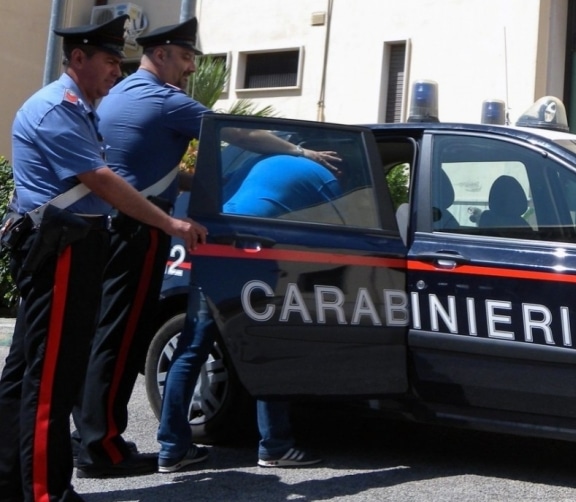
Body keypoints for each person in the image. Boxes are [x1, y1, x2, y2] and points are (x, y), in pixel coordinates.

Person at [70, 17, 340, 478]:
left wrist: (204, 184)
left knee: (105, 334)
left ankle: (92, 437)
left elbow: (148, 170)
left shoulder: (120, 95)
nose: (191, 68)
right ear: (162, 55)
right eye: (187, 57)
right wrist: (302, 153)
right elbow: (240, 133)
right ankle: (101, 446)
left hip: (106, 226)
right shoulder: (164, 98)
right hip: (137, 231)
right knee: (122, 338)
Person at [0, 15, 208, 502]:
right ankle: (45, 491)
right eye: (111, 61)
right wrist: (169, 222)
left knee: (27, 369)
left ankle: (10, 480)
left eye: (120, 61)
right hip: (64, 245)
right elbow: (103, 181)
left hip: (67, 241)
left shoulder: (80, 107)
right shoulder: (59, 108)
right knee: (53, 375)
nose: (118, 72)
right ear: (78, 58)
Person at [158, 152, 341, 473]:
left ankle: (172, 448)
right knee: (267, 347)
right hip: (252, 256)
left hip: (215, 246)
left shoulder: (257, 164)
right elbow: (344, 229)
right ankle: (276, 446)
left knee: (192, 348)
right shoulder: (327, 179)